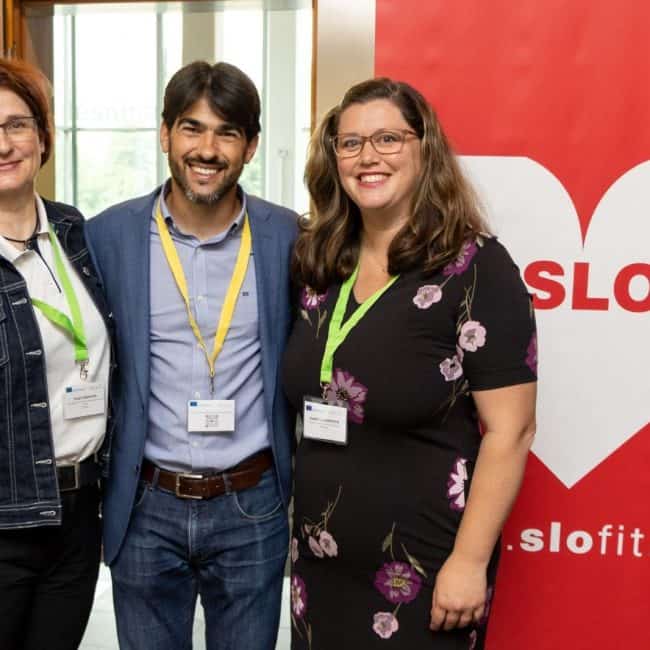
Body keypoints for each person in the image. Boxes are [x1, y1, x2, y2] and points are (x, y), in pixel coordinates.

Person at [282, 77, 537, 649]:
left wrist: (470, 561)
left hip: (423, 569)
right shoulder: (320, 263)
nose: (367, 157)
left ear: (426, 149)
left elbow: (512, 429)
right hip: (319, 566)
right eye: (350, 143)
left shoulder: (475, 268)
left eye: (388, 139)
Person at [85, 61, 297, 650]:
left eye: (227, 132)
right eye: (191, 128)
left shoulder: (288, 238)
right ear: (164, 134)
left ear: (251, 146)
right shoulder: (108, 236)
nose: (207, 149)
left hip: (252, 502)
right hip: (146, 504)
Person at [0, 58, 114, 650]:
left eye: (16, 125)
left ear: (43, 138)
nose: (4, 144)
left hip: (78, 515)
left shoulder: (75, 231)